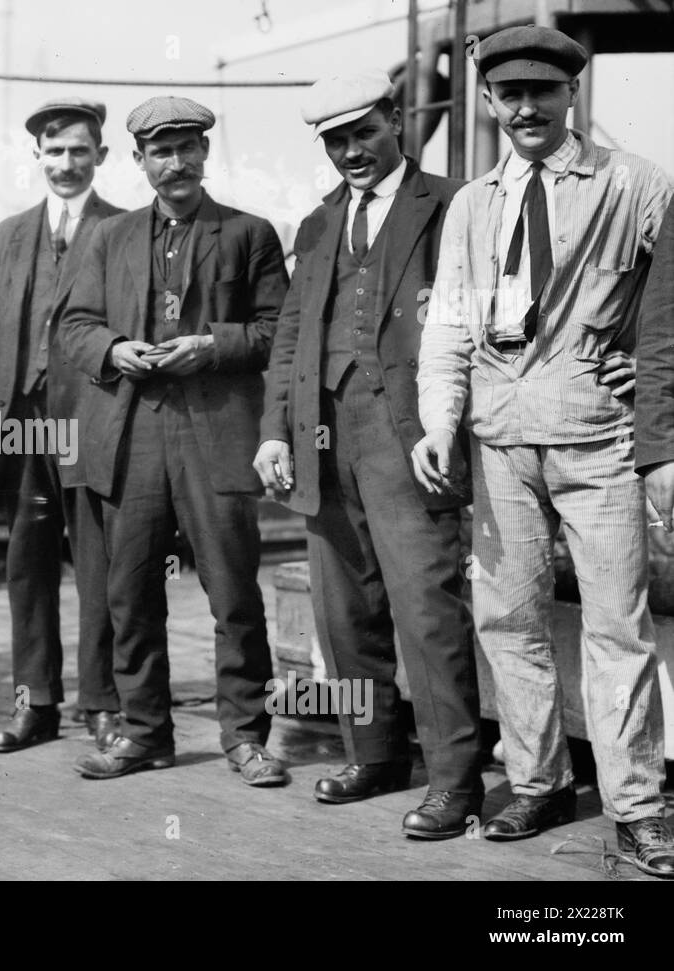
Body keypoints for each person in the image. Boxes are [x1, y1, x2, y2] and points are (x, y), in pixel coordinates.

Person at [413, 26, 674, 876]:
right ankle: (539, 779)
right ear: (487, 102)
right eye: (510, 94)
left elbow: (668, 306)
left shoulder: (633, 183)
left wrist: (642, 372)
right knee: (510, 617)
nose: (526, 107)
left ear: (571, 96)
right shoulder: (472, 205)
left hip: (596, 438)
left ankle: (637, 805)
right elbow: (449, 322)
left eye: (544, 92)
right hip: (498, 442)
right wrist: (438, 422)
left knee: (615, 625)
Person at [255, 72, 483, 838]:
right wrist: (275, 429)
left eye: (363, 133)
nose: (351, 151)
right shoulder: (318, 224)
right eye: (335, 141)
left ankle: (455, 779)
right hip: (325, 440)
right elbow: (290, 337)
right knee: (341, 611)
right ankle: (375, 752)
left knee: (426, 608)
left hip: (409, 439)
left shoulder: (454, 204)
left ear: (396, 119)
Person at [58, 97, 290, 781]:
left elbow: (282, 330)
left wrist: (212, 345)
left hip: (215, 434)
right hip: (131, 437)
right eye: (161, 151)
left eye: (188, 148)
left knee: (232, 591)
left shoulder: (249, 233)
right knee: (129, 592)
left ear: (205, 154)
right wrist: (114, 349)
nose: (177, 162)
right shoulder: (109, 238)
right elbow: (74, 326)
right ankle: (144, 731)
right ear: (139, 161)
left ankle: (245, 736)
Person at [0, 98, 124, 755]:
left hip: (94, 420)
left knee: (99, 562)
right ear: (35, 157)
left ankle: (102, 701)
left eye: (79, 151)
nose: (67, 164)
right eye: (55, 152)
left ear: (101, 156)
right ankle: (35, 699)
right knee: (27, 561)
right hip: (25, 422)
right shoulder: (4, 239)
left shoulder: (126, 231)